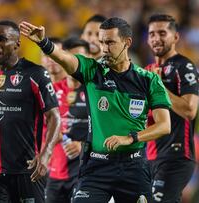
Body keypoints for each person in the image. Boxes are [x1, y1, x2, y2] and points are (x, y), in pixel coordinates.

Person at [19, 17, 171, 202]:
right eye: (102, 42)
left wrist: (130, 138)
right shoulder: (93, 71)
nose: (104, 48)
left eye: (110, 42)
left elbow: (164, 125)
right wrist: (44, 43)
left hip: (134, 167)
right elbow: (67, 59)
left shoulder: (148, 80)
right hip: (96, 166)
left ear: (127, 42)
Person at [0, 20, 61, 203]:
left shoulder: (36, 74)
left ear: (17, 44)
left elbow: (55, 117)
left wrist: (46, 155)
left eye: (2, 39)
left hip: (27, 170)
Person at [146, 14, 198, 203]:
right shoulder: (147, 71)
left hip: (176, 157)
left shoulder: (184, 67)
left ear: (175, 37)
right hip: (148, 158)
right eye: (152, 34)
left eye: (162, 33)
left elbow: (190, 110)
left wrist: (159, 86)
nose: (156, 38)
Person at [44, 37, 90, 203]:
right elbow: (41, 127)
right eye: (70, 57)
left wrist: (83, 145)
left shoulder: (95, 92)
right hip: (55, 173)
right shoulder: (53, 91)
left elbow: (107, 131)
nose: (74, 63)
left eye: (80, 58)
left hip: (84, 173)